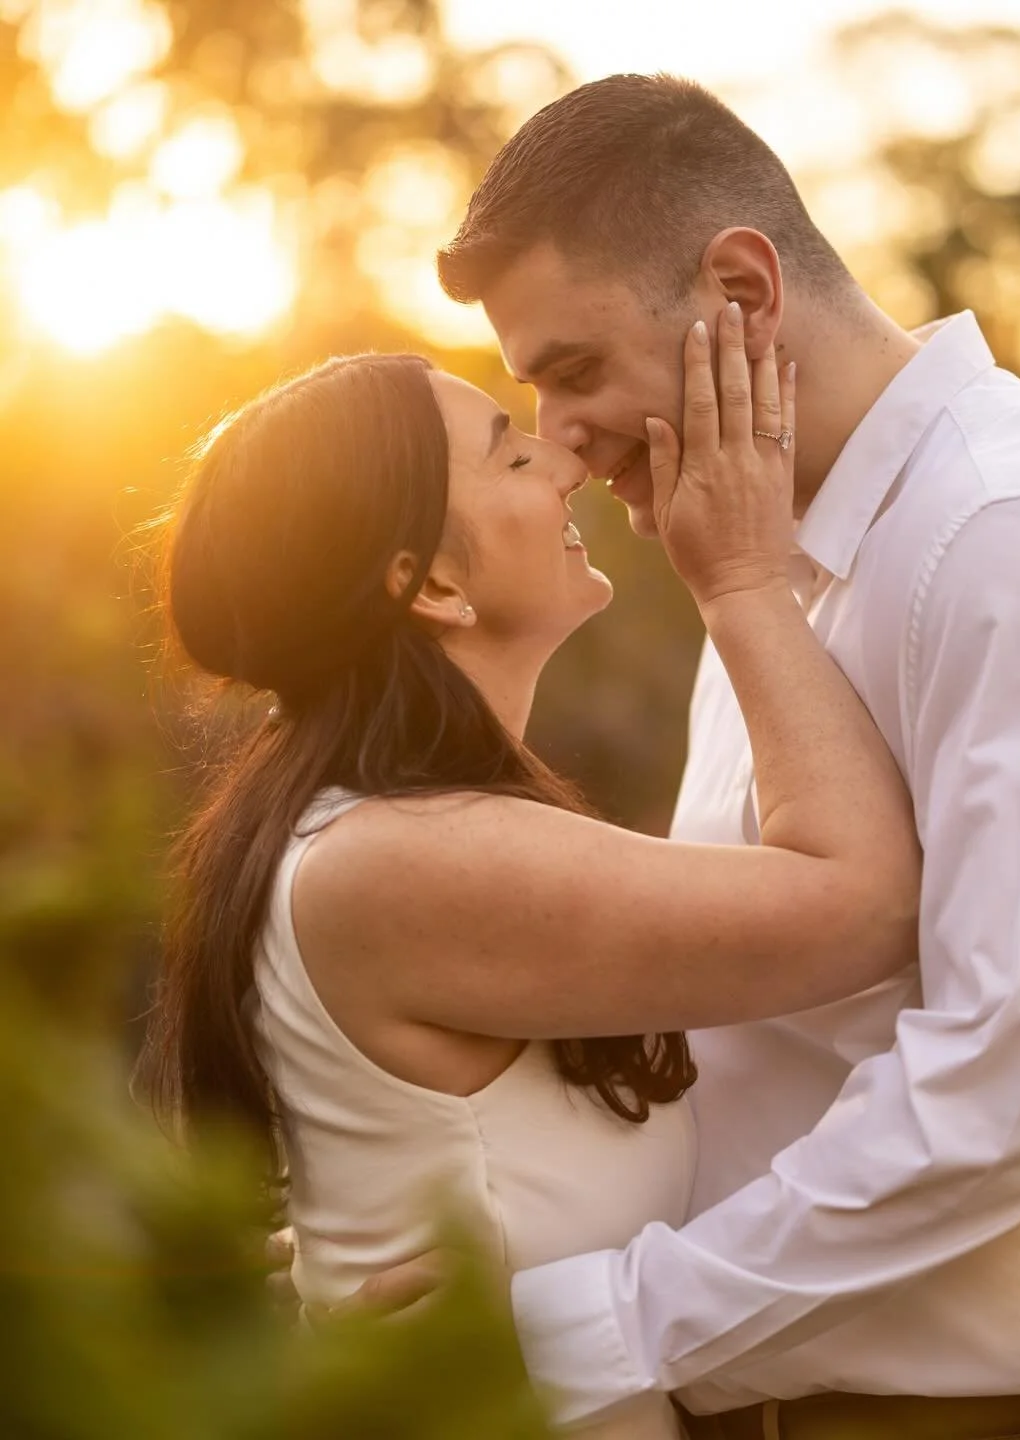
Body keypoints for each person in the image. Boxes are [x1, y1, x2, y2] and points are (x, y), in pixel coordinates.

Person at [351, 73, 1020, 1439]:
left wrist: (591, 1325)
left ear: (741, 291)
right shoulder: (765, 563)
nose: (561, 445)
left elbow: (1016, 1089)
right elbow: (750, 1059)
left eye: (575, 372)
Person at [139, 332, 922, 1440]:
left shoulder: (375, 837)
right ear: (432, 584)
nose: (561, 463)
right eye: (509, 455)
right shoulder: (405, 859)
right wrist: (743, 579)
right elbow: (866, 906)